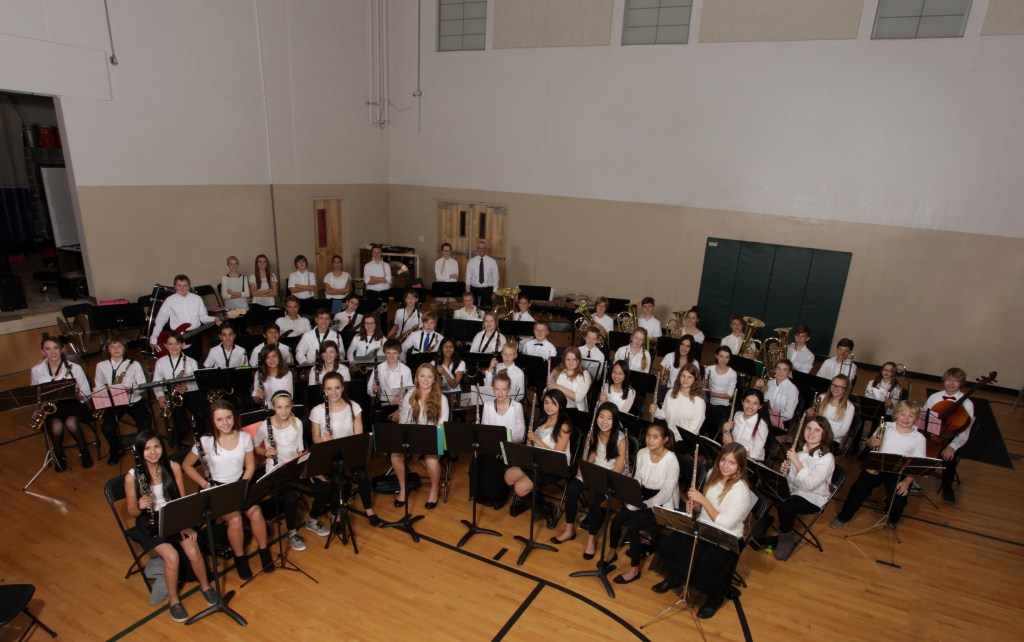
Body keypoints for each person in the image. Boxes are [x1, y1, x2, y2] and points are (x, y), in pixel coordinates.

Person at [649, 443, 754, 620]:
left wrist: (703, 501)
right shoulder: (714, 473)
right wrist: (696, 505)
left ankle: (714, 599)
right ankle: (675, 578)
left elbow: (725, 523)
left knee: (705, 564)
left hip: (725, 537)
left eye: (732, 463)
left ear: (740, 467)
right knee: (670, 545)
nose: (725, 466)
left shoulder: (741, 491)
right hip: (704, 526)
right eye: (723, 460)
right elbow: (707, 504)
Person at [124, 431, 216, 622]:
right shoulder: (132, 477)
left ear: (162, 448)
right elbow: (131, 511)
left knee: (192, 549)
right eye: (147, 448)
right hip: (149, 524)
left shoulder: (173, 467)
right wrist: (139, 506)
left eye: (156, 446)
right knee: (172, 557)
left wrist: (185, 525)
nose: (152, 452)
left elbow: (181, 501)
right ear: (139, 452)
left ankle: (206, 586)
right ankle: (173, 601)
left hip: (172, 516)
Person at [183, 400, 273, 580]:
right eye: (219, 419)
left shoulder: (244, 437)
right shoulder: (205, 441)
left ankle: (264, 551)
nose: (225, 423)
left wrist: (242, 487)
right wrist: (204, 484)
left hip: (240, 484)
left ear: (234, 417)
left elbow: (250, 466)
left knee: (256, 512)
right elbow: (186, 465)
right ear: (212, 421)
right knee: (235, 519)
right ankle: (240, 558)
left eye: (229, 417)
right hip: (217, 488)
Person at [831, 400, 927, 530]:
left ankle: (892, 519)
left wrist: (907, 482)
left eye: (910, 416)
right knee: (858, 489)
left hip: (898, 473)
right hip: (877, 466)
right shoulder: (885, 426)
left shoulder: (919, 438)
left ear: (916, 419)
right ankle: (843, 517)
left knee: (898, 501)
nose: (906, 419)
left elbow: (917, 465)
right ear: (896, 414)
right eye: (902, 414)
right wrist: (871, 442)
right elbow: (870, 443)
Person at [604, 423, 680, 584]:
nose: (650, 440)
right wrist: (630, 491)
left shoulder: (672, 461)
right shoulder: (642, 453)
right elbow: (638, 478)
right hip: (642, 495)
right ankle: (612, 551)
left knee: (634, 526)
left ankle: (634, 570)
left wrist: (644, 505)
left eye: (655, 437)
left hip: (661, 503)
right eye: (648, 436)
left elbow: (666, 493)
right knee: (617, 519)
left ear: (665, 439)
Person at [552, 402, 627, 557]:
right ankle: (569, 530)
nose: (604, 421)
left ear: (615, 421)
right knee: (571, 490)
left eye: (609, 418)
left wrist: (600, 477)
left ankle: (591, 540)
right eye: (601, 417)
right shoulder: (594, 432)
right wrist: (586, 466)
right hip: (594, 471)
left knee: (593, 501)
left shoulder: (621, 439)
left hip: (610, 476)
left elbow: (619, 468)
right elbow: (593, 454)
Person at [309, 373, 380, 527]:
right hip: (329, 455)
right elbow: (315, 438)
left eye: (337, 388)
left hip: (349, 453)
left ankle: (368, 509)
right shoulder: (317, 411)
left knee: (362, 475)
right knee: (337, 480)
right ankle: (336, 515)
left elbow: (358, 436)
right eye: (329, 389)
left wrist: (352, 450)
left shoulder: (353, 407)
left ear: (342, 388)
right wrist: (323, 439)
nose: (333, 392)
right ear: (324, 390)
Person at [251, 392, 310, 550]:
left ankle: (312, 520)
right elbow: (254, 447)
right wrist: (265, 452)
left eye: (287, 407)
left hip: (293, 468)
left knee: (321, 484)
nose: (284, 411)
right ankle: (292, 532)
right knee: (291, 497)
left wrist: (307, 468)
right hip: (275, 471)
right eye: (279, 407)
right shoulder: (265, 426)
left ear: (291, 406)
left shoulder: (297, 422)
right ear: (273, 407)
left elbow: (300, 448)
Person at [772, 415, 835, 561]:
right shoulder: (800, 452)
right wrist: (786, 470)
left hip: (813, 497)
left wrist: (796, 462)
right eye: (808, 428)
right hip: (794, 491)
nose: (811, 432)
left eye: (817, 430)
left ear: (824, 434)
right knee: (765, 487)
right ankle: (763, 523)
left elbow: (810, 484)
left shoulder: (827, 458)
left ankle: (786, 538)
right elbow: (791, 480)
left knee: (786, 505)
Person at [506, 389, 572, 521]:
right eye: (546, 402)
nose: (549, 406)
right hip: (537, 460)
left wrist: (537, 440)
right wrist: (530, 443)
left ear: (561, 405)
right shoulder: (543, 419)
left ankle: (545, 508)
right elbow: (534, 445)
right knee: (508, 476)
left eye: (553, 403)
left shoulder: (564, 426)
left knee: (519, 487)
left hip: (554, 467)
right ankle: (537, 504)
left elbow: (557, 456)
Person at [32, 336, 93, 471]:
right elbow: (36, 394)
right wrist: (37, 408)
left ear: (62, 349)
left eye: (56, 348)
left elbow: (87, 393)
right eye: (48, 349)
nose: (52, 352)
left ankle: (84, 451)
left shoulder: (75, 368)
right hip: (51, 406)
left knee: (71, 422)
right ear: (43, 351)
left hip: (74, 403)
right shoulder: (36, 370)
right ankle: (59, 455)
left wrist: (76, 395)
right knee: (56, 425)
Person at [394, 363, 449, 508]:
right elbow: (403, 422)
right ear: (417, 378)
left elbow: (441, 428)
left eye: (429, 377)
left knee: (431, 461)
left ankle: (434, 490)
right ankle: (403, 488)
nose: (425, 380)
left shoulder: (442, 399)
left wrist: (422, 446)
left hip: (433, 438)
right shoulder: (409, 396)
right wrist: (413, 443)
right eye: (422, 376)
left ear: (434, 379)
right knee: (395, 456)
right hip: (413, 437)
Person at [94, 333, 151, 465]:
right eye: (112, 347)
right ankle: (115, 450)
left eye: (119, 346)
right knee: (107, 427)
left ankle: (140, 448)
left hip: (133, 400)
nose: (116, 349)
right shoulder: (101, 366)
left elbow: (142, 385)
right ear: (108, 349)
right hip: (114, 402)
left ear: (125, 348)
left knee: (145, 424)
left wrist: (131, 389)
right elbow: (99, 385)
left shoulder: (134, 364)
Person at [473, 371, 526, 507]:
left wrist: (505, 448)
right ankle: (484, 493)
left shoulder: (517, 407)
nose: (500, 393)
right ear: (493, 389)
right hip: (492, 446)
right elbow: (485, 431)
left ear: (509, 389)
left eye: (503, 389)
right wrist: (494, 447)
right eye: (497, 389)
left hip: (511, 446)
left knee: (497, 463)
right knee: (480, 460)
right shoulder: (488, 406)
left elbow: (520, 435)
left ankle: (499, 495)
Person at [923, 367, 975, 505]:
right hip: (931, 434)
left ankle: (947, 487)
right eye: (948, 380)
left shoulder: (967, 404)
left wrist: (952, 446)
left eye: (955, 381)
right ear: (944, 380)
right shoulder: (934, 397)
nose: (951, 383)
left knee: (949, 459)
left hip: (951, 438)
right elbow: (924, 418)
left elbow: (964, 432)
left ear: (961, 383)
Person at [148, 274, 221, 358]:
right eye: (179, 285)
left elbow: (203, 317)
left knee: (196, 358)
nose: (182, 288)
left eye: (185, 285)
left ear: (189, 286)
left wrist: (214, 319)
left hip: (195, 334)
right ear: (174, 287)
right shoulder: (169, 301)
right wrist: (153, 339)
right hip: (177, 336)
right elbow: (160, 321)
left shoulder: (197, 299)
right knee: (179, 360)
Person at [152, 332, 204, 445]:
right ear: (165, 346)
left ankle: (200, 436)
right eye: (170, 344)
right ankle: (176, 435)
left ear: (182, 344)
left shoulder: (191, 362)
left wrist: (187, 387)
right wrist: (160, 396)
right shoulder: (160, 362)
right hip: (172, 395)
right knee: (183, 427)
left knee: (201, 415)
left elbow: (197, 382)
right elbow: (156, 382)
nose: (174, 347)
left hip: (189, 392)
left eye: (177, 343)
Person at [651, 363, 706, 443]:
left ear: (695, 380)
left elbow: (692, 430)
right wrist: (656, 411)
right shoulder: (671, 392)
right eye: (683, 376)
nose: (685, 380)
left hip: (685, 441)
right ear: (679, 376)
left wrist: (672, 439)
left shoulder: (699, 402)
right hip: (669, 437)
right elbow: (664, 415)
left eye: (689, 377)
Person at [368, 340, 414, 420]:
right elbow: (369, 391)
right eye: (388, 353)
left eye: (394, 353)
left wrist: (399, 410)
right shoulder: (378, 369)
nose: (391, 356)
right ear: (384, 353)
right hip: (382, 406)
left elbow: (410, 394)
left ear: (399, 353)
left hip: (401, 407)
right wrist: (374, 389)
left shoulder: (406, 370)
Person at [722, 390, 769, 462]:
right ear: (742, 402)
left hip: (748, 460)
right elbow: (729, 436)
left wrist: (731, 445)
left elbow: (755, 455)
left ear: (760, 406)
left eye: (755, 403)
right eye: (747, 401)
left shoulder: (761, 427)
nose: (750, 406)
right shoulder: (737, 415)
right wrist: (724, 429)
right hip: (731, 453)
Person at [808, 375, 855, 446]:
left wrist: (823, 436)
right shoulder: (822, 397)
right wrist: (809, 413)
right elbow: (813, 418)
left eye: (839, 387)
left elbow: (843, 432)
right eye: (833, 385)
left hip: (832, 439)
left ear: (845, 389)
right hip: (815, 435)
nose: (835, 388)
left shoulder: (850, 407)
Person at [548, 347, 592, 412]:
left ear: (579, 360)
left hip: (574, 410)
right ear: (564, 360)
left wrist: (558, 387)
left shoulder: (584, 374)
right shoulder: (557, 371)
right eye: (568, 359)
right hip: (556, 407)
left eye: (574, 359)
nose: (571, 362)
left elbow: (578, 398)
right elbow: (549, 388)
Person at [761, 359, 799, 423]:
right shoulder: (768, 383)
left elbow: (788, 414)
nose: (781, 372)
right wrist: (757, 387)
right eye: (778, 369)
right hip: (762, 417)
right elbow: (760, 399)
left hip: (778, 422)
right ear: (774, 369)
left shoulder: (793, 390)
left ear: (789, 372)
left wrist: (771, 418)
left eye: (784, 370)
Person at [466, 239, 499, 307]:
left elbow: (495, 278)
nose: (481, 250)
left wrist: (494, 292)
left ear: (486, 249)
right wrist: (468, 291)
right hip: (474, 290)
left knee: (486, 309)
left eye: (483, 248)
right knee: (473, 309)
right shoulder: (471, 262)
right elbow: (468, 278)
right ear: (477, 249)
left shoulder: (492, 262)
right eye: (479, 248)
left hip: (487, 291)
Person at [706, 346, 738, 412]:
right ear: (716, 356)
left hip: (723, 405)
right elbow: (705, 387)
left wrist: (712, 394)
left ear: (729, 359)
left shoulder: (732, 374)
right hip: (708, 401)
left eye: (726, 357)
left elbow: (729, 395)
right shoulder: (709, 369)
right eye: (721, 356)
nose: (723, 360)